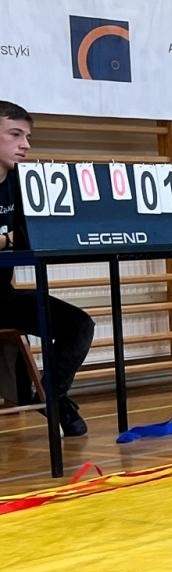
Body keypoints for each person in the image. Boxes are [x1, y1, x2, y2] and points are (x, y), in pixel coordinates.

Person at [0, 101, 95, 437]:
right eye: (15, 135)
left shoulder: (20, 182)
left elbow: (32, 236)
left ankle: (52, 396)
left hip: (2, 298)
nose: (25, 144)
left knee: (79, 326)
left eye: (27, 136)